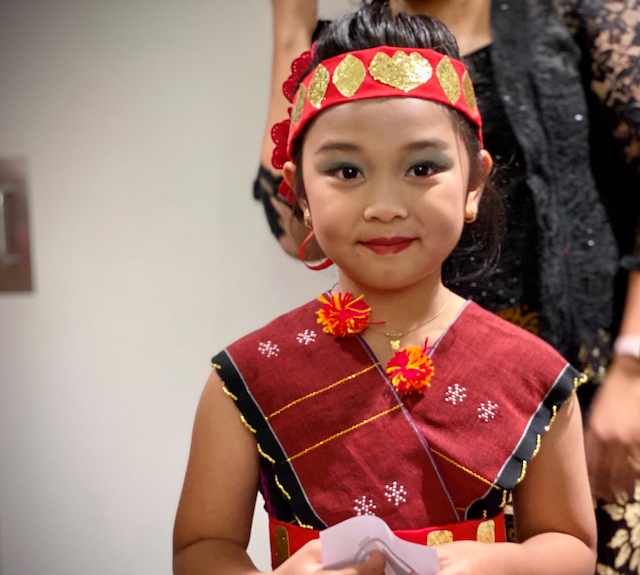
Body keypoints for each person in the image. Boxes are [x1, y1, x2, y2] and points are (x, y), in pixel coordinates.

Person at [253, 1, 640, 573]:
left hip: (588, 375)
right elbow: (298, 225)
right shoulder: (358, 45)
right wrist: (292, 32)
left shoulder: (586, 9)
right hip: (418, 393)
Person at [173, 5, 597, 575]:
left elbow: (572, 546)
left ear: (473, 184)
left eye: (422, 168)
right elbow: (200, 549)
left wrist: (494, 567)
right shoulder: (244, 380)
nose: (385, 207)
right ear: (298, 193)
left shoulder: (535, 375)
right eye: (347, 172)